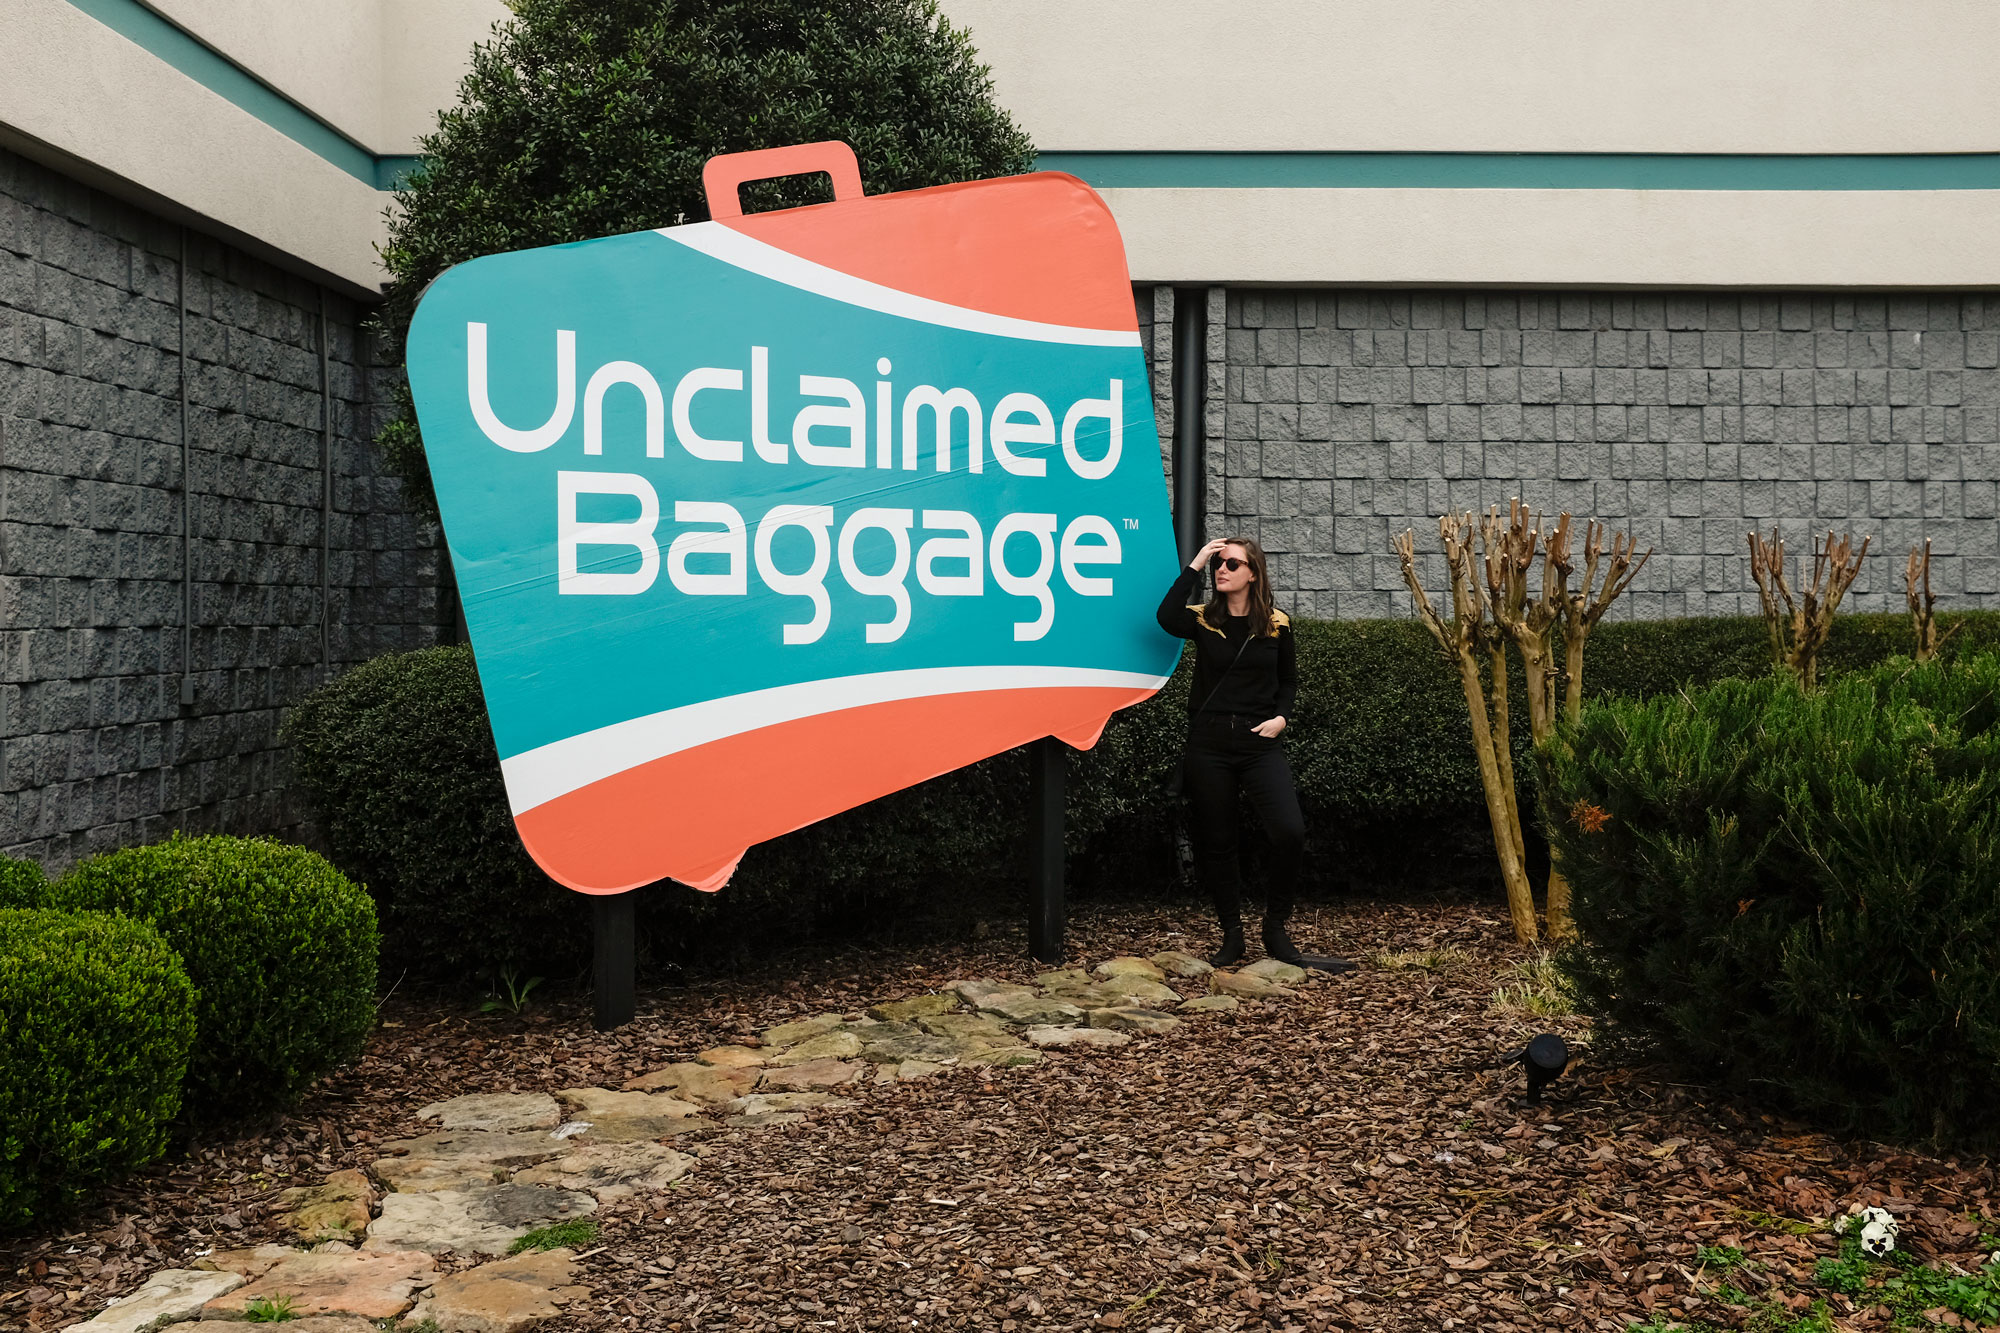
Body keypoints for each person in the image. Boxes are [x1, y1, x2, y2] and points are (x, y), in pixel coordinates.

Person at [1157, 537, 1355, 973]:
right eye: (1219, 564)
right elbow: (1165, 616)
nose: (1221, 570)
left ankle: (1275, 927)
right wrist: (1196, 562)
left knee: (1289, 831)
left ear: (1253, 573)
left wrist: (1282, 718)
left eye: (1231, 563)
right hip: (1209, 744)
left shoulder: (1277, 624)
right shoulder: (1202, 619)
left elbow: (1288, 681)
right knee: (1218, 842)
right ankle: (1231, 934)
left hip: (1259, 743)